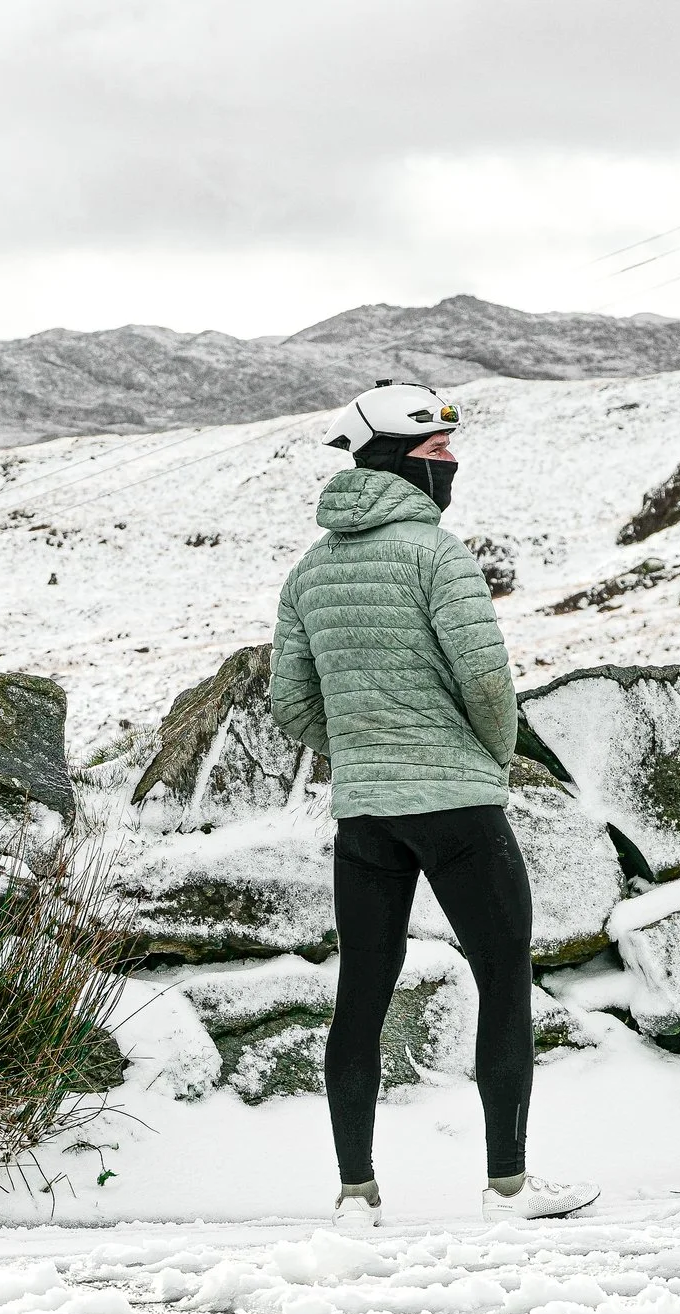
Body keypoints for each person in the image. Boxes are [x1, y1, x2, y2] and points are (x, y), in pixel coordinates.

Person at [267, 382, 599, 1230]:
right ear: (401, 462)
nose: (451, 470)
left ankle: (354, 1195)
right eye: (439, 456)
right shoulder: (436, 556)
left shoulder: (308, 572)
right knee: (504, 979)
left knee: (361, 998)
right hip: (457, 805)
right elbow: (488, 681)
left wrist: (366, 752)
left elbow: (292, 707)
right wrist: (487, 755)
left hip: (365, 816)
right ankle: (509, 1189)